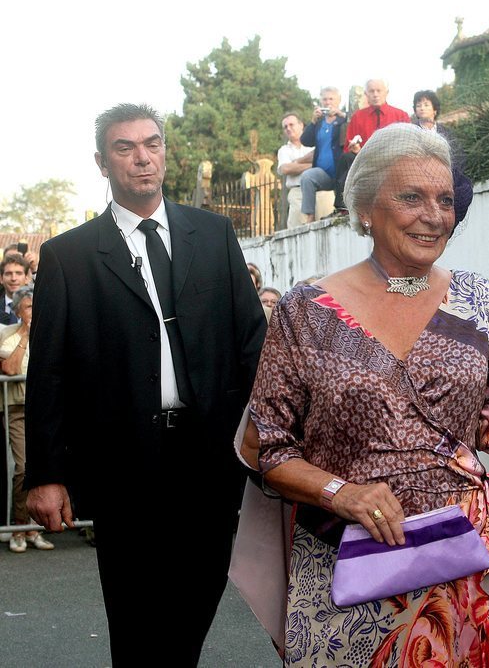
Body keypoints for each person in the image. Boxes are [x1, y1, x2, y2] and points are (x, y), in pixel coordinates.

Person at [241, 123, 489, 665]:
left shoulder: (473, 299)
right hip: (350, 574)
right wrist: (340, 492)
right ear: (365, 207)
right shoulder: (304, 310)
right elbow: (269, 450)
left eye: (445, 200)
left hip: (467, 568)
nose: (435, 215)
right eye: (411, 197)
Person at [25, 103, 266, 665]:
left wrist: (271, 436)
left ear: (165, 151)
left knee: (197, 599)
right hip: (122, 463)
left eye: (152, 144)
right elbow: (49, 373)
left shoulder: (213, 234)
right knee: (135, 615)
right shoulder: (70, 256)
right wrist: (46, 475)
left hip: (209, 458)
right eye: (125, 148)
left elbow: (252, 343)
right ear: (102, 162)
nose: (142, 158)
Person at [1, 286, 54, 553]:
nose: (34, 311)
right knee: (22, 468)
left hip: (48, 409)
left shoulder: (51, 332)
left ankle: (35, 527)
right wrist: (24, 334)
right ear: (19, 311)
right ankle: (20, 527)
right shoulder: (9, 336)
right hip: (19, 410)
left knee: (43, 466)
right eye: (29, 307)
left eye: (37, 305)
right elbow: (10, 368)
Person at [299, 86, 348, 220]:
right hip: (323, 173)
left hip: (341, 171)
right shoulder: (319, 123)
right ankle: (309, 217)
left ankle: (343, 211)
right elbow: (305, 141)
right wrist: (313, 121)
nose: (328, 102)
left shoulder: (343, 119)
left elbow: (352, 125)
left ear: (338, 100)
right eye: (325, 99)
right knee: (307, 177)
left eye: (331, 99)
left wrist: (342, 114)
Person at [276, 112, 314, 229]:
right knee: (298, 230)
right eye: (285, 127)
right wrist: (312, 165)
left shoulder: (314, 144)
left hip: (320, 191)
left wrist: (296, 163)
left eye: (291, 124)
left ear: (301, 125)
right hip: (297, 192)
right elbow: (286, 169)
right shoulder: (284, 150)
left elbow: (322, 160)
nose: (288, 128)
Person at [1, 254, 29, 324]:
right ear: (1, 279)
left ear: (26, 278)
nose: (13, 278)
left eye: (18, 273)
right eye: (8, 274)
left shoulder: (35, 309)